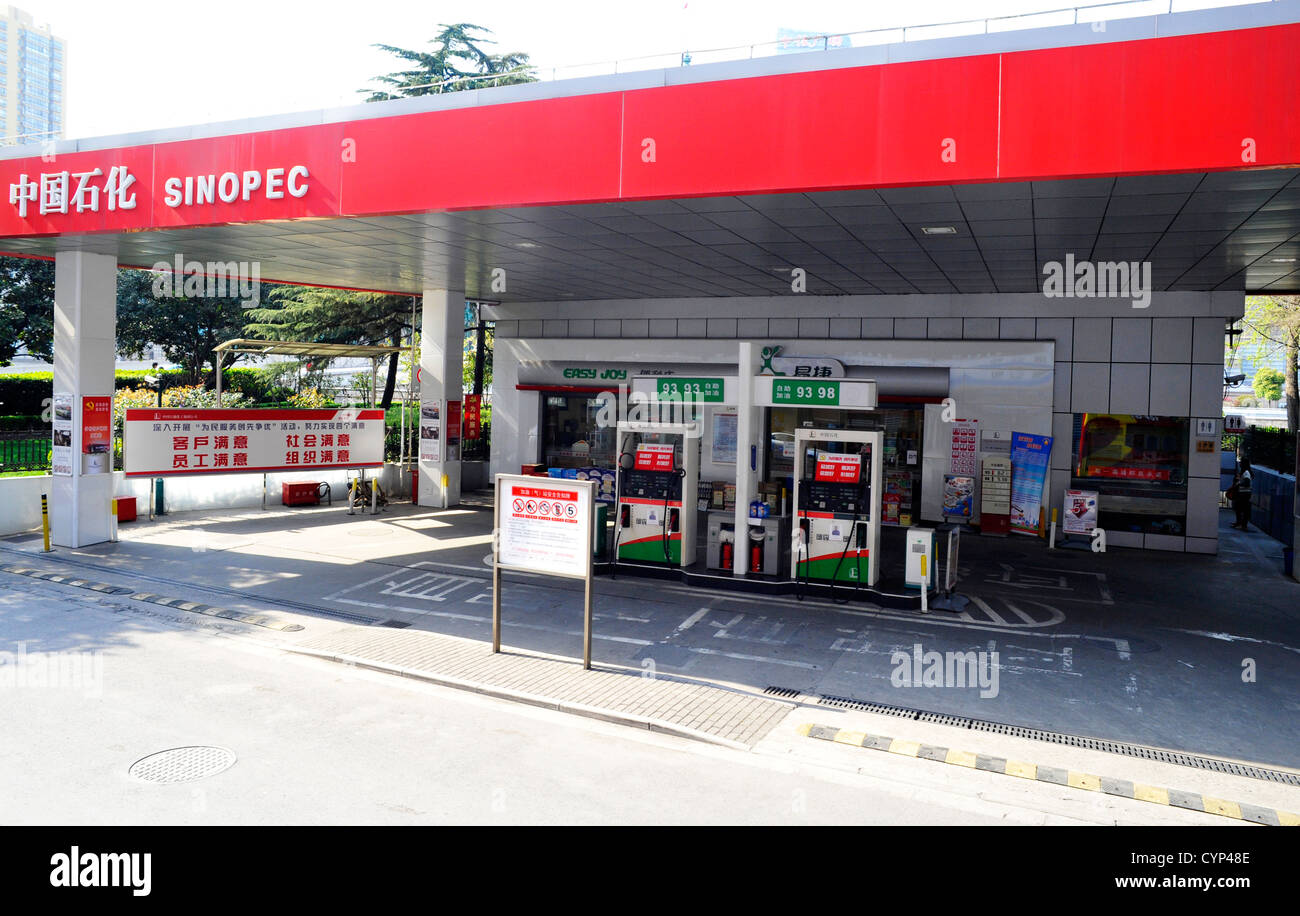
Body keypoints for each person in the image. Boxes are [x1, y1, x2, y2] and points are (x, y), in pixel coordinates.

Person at [1230, 458, 1253, 530]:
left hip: (1244, 493)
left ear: (1244, 464)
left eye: (1241, 463)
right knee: (1239, 508)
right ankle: (1239, 523)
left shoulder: (1246, 472)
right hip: (1242, 493)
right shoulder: (1243, 472)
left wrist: (1238, 484)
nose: (1239, 464)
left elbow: (1247, 482)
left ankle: (1242, 524)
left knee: (1242, 509)